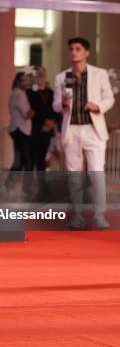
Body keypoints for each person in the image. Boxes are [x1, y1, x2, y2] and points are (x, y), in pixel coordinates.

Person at [52, 37, 115, 230]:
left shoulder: (99, 74)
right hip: (71, 130)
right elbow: (55, 105)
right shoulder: (62, 77)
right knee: (74, 175)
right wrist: (63, 104)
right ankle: (77, 215)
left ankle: (99, 215)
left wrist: (98, 106)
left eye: (78, 49)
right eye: (71, 48)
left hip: (93, 129)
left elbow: (109, 98)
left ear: (86, 52)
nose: (73, 52)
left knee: (96, 173)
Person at [27, 67, 57, 172]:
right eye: (39, 75)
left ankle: (42, 186)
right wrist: (44, 121)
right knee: (31, 158)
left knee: (42, 158)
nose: (41, 77)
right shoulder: (31, 92)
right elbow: (32, 110)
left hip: (47, 130)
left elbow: (55, 109)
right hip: (35, 128)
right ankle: (29, 185)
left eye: (43, 75)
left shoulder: (51, 93)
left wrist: (53, 122)